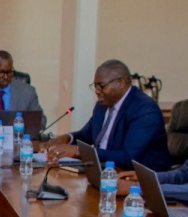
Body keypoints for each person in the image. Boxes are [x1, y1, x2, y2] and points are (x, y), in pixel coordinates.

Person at [43, 59, 172, 171]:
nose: (97, 91)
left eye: (101, 86)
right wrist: (67, 138)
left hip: (138, 181)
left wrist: (78, 151)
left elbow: (128, 158)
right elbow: (86, 135)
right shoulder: (102, 105)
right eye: (95, 86)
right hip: (104, 171)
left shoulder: (144, 109)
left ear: (121, 83)